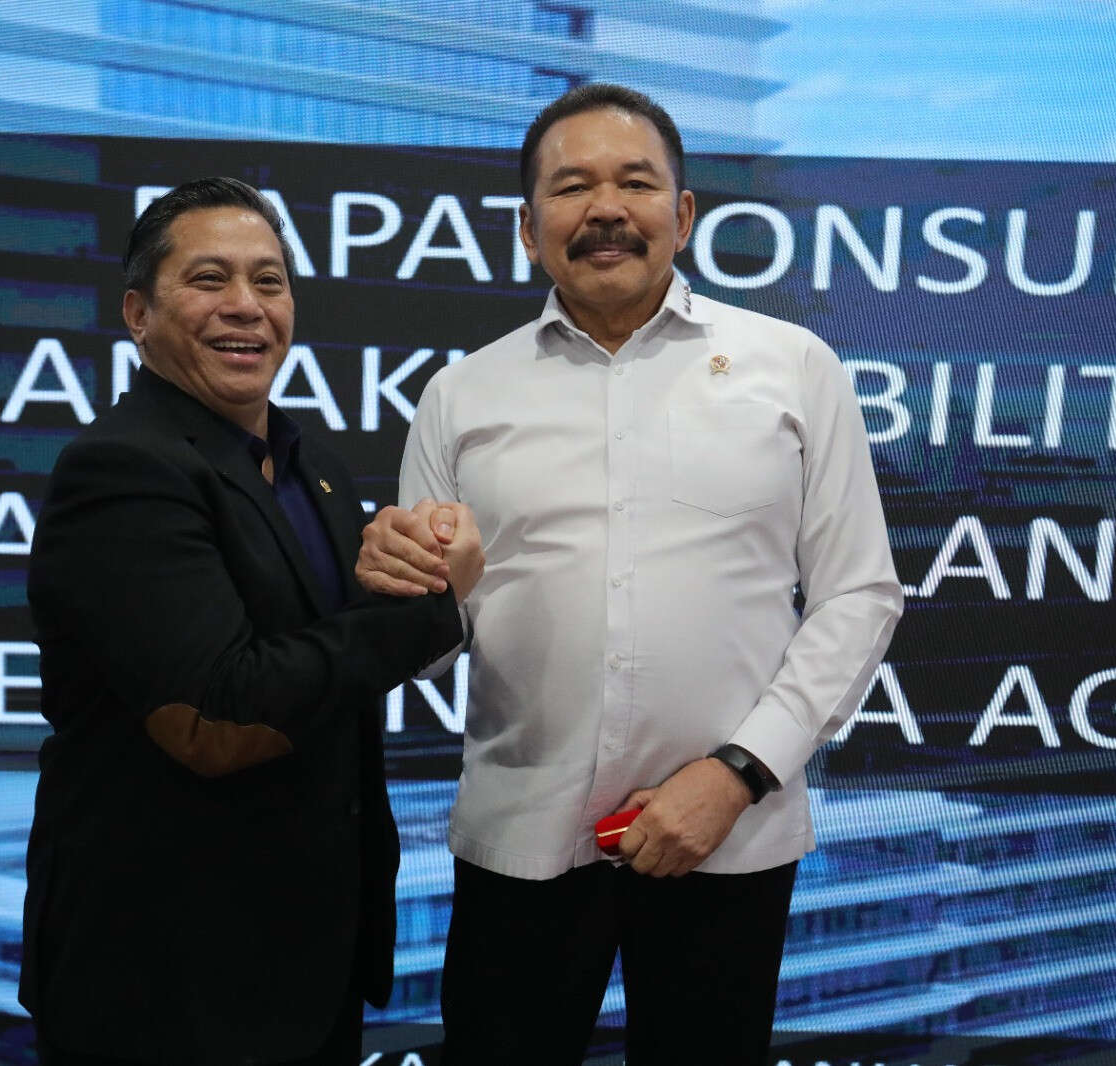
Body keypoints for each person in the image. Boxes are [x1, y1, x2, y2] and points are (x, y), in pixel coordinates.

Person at [357, 85, 903, 1063]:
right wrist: (403, 589)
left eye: (635, 182)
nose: (604, 207)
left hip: (730, 834)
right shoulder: (460, 394)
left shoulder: (793, 367)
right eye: (570, 187)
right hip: (522, 838)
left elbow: (858, 592)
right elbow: (424, 649)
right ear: (529, 228)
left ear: (682, 214)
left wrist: (736, 776)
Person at [20, 177, 483, 1066]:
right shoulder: (122, 469)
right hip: (165, 983)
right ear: (137, 313)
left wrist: (408, 552)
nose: (246, 307)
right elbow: (219, 719)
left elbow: (334, 644)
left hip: (308, 968)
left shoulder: (314, 463)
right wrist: (436, 608)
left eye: (269, 281)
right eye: (208, 279)